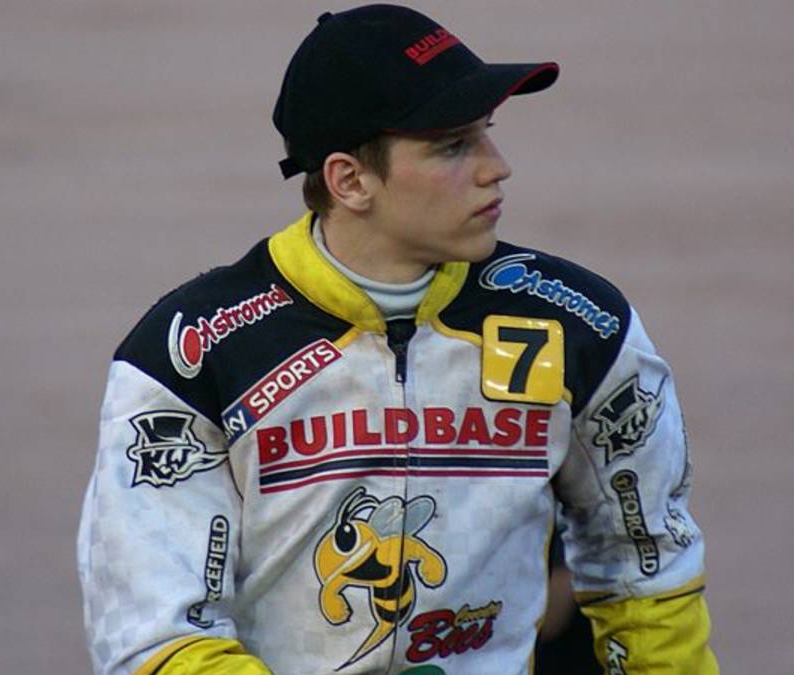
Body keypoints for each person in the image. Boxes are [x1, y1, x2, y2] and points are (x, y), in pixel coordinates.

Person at [77, 4, 719, 674]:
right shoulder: (191, 354)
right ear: (350, 180)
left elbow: (648, 569)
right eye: (453, 146)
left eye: (486, 134)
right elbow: (157, 637)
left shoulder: (581, 324)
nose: (497, 167)